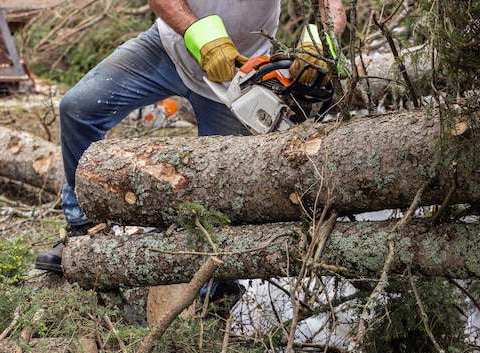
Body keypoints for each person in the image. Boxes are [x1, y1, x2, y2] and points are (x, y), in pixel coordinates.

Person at [35, 0, 347, 276]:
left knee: (225, 190)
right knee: (79, 107)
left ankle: (215, 285)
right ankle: (84, 228)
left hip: (239, 74)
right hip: (167, 49)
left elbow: (331, 6)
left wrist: (321, 43)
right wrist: (198, 34)